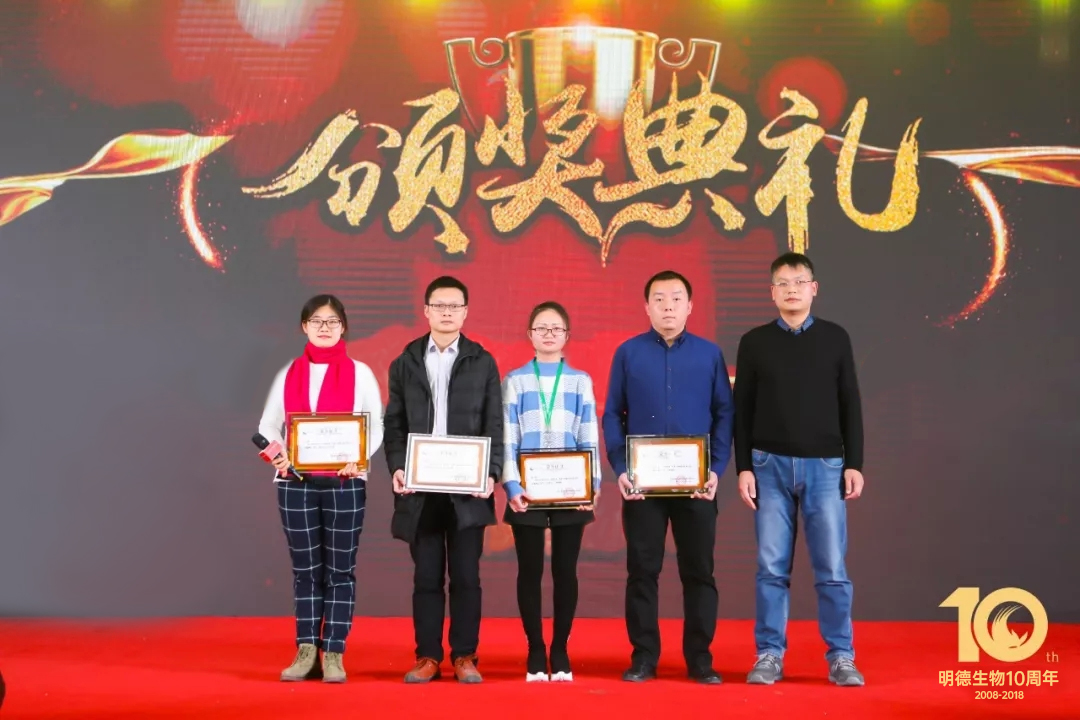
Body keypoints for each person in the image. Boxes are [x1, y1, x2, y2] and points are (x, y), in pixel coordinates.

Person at [733, 252, 866, 687]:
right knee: (771, 567)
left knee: (832, 568)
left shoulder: (835, 338)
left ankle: (842, 656)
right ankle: (769, 654)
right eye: (783, 283)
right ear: (771, 292)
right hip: (767, 466)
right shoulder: (754, 342)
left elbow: (850, 403)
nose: (792, 289)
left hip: (826, 467)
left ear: (814, 288)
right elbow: (742, 410)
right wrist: (743, 467)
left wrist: (854, 463)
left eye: (799, 282)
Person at [602, 270, 734, 685]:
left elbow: (724, 414)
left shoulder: (709, 355)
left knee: (699, 572)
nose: (668, 306)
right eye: (659, 299)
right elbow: (612, 414)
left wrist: (716, 469)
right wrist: (621, 468)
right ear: (647, 307)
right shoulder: (628, 353)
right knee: (642, 571)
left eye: (676, 298)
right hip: (643, 486)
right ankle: (644, 657)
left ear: (690, 306)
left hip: (697, 484)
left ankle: (700, 659)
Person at [257, 294, 385, 684]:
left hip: (346, 482)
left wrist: (359, 459)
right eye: (317, 321)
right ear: (304, 327)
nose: (324, 328)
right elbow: (267, 427)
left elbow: (376, 426)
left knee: (341, 570)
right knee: (306, 570)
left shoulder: (360, 373)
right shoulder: (288, 373)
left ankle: (334, 652)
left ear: (343, 327)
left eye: (332, 321)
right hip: (295, 483)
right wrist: (278, 455)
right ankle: (306, 649)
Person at [384, 276, 503, 684]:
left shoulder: (482, 361)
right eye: (440, 305)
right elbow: (394, 424)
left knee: (467, 576)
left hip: (467, 489)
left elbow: (494, 423)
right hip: (421, 488)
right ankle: (428, 657)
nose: (447, 312)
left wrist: (491, 473)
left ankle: (465, 655)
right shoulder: (405, 362)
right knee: (427, 577)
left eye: (455, 306)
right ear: (426, 311)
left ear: (465, 312)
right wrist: (397, 466)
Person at [501, 301, 602, 683]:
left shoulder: (579, 381)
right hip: (526, 490)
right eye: (541, 328)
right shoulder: (515, 380)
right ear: (530, 334)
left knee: (565, 570)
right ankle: (534, 648)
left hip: (571, 489)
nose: (548, 334)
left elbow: (589, 434)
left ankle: (559, 649)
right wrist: (511, 484)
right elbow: (508, 436)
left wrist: (591, 483)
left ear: (566, 336)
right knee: (529, 571)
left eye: (556, 329)